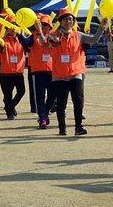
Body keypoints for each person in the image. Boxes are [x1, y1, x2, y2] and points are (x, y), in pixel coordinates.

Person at [46, 7, 108, 136]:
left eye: (70, 19)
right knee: (61, 103)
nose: (68, 22)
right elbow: (48, 43)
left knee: (78, 101)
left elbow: (94, 39)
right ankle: (62, 128)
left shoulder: (78, 35)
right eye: (65, 19)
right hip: (59, 75)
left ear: (74, 21)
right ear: (60, 21)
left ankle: (78, 127)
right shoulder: (54, 36)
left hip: (76, 73)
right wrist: (52, 40)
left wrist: (101, 27)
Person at [23, 14, 54, 129]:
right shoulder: (33, 36)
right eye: (41, 24)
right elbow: (26, 43)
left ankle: (45, 112)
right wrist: (19, 34)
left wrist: (40, 31)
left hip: (51, 70)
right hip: (38, 70)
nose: (43, 26)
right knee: (39, 97)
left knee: (53, 95)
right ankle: (42, 118)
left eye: (45, 24)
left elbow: (45, 43)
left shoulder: (52, 36)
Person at [0, 14, 28, 119]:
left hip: (19, 71)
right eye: (10, 26)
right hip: (6, 72)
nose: (13, 29)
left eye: (14, 26)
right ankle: (9, 113)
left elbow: (28, 47)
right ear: (6, 28)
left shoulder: (21, 40)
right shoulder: (2, 40)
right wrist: (0, 47)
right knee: (7, 94)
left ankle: (10, 106)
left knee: (21, 91)